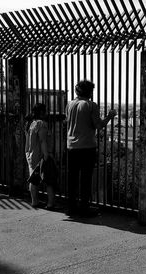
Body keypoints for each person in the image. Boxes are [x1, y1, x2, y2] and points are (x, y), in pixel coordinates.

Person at [65, 80, 116, 216]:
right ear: (89, 92)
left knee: (72, 179)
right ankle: (84, 208)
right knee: (86, 179)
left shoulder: (70, 104)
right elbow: (98, 125)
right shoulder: (90, 105)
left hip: (71, 146)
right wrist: (110, 116)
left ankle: (71, 208)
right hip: (87, 146)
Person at [25, 103, 55, 209]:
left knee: (33, 179)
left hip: (31, 155)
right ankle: (50, 203)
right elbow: (42, 140)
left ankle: (34, 202)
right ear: (42, 112)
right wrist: (46, 155)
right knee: (48, 180)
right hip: (41, 155)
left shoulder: (31, 124)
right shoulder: (41, 124)